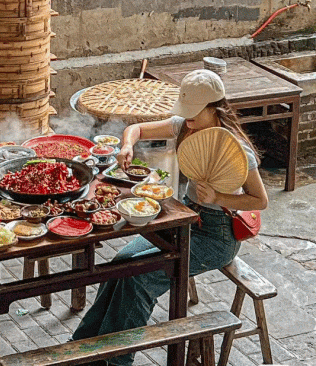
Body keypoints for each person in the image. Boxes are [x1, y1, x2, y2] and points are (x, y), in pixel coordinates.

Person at [72, 69, 268, 366]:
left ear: (215, 108)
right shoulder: (184, 126)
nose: (187, 116)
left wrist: (219, 198)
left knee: (139, 278)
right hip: (184, 219)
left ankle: (115, 361)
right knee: (119, 265)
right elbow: (136, 130)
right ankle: (84, 348)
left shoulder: (235, 149)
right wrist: (127, 145)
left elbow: (260, 200)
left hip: (217, 236)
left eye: (194, 111)